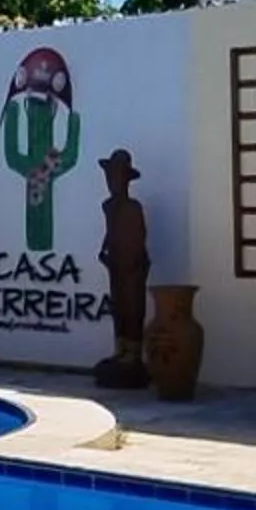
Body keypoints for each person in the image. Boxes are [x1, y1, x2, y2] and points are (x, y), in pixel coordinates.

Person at [92, 147, 150, 387]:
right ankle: (121, 349)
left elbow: (139, 236)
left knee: (133, 307)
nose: (112, 182)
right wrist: (105, 251)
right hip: (116, 263)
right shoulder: (108, 206)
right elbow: (111, 232)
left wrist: (130, 260)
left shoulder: (133, 207)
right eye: (110, 177)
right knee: (118, 307)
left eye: (117, 177)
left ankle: (133, 353)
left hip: (133, 265)